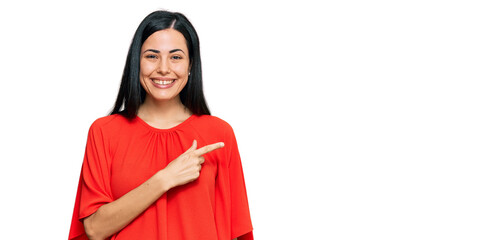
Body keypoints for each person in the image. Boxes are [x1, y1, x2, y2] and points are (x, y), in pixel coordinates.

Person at [68, 10, 253, 240]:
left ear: (190, 65)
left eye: (176, 57)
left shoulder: (218, 134)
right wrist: (165, 178)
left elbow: (236, 231)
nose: (164, 68)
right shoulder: (105, 132)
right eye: (152, 56)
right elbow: (94, 229)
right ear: (137, 62)